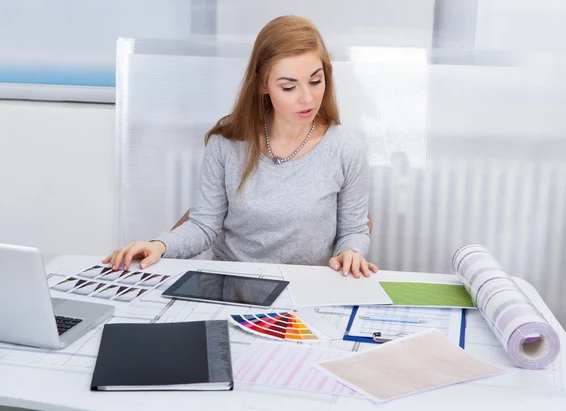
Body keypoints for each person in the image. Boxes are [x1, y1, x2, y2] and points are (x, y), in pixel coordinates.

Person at [103, 15, 378, 279]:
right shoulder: (227, 142)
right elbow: (202, 226)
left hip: (306, 287)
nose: (307, 98)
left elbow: (354, 229)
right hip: (231, 284)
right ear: (263, 85)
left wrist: (351, 252)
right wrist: (159, 245)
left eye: (315, 81)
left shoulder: (346, 149)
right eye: (288, 87)